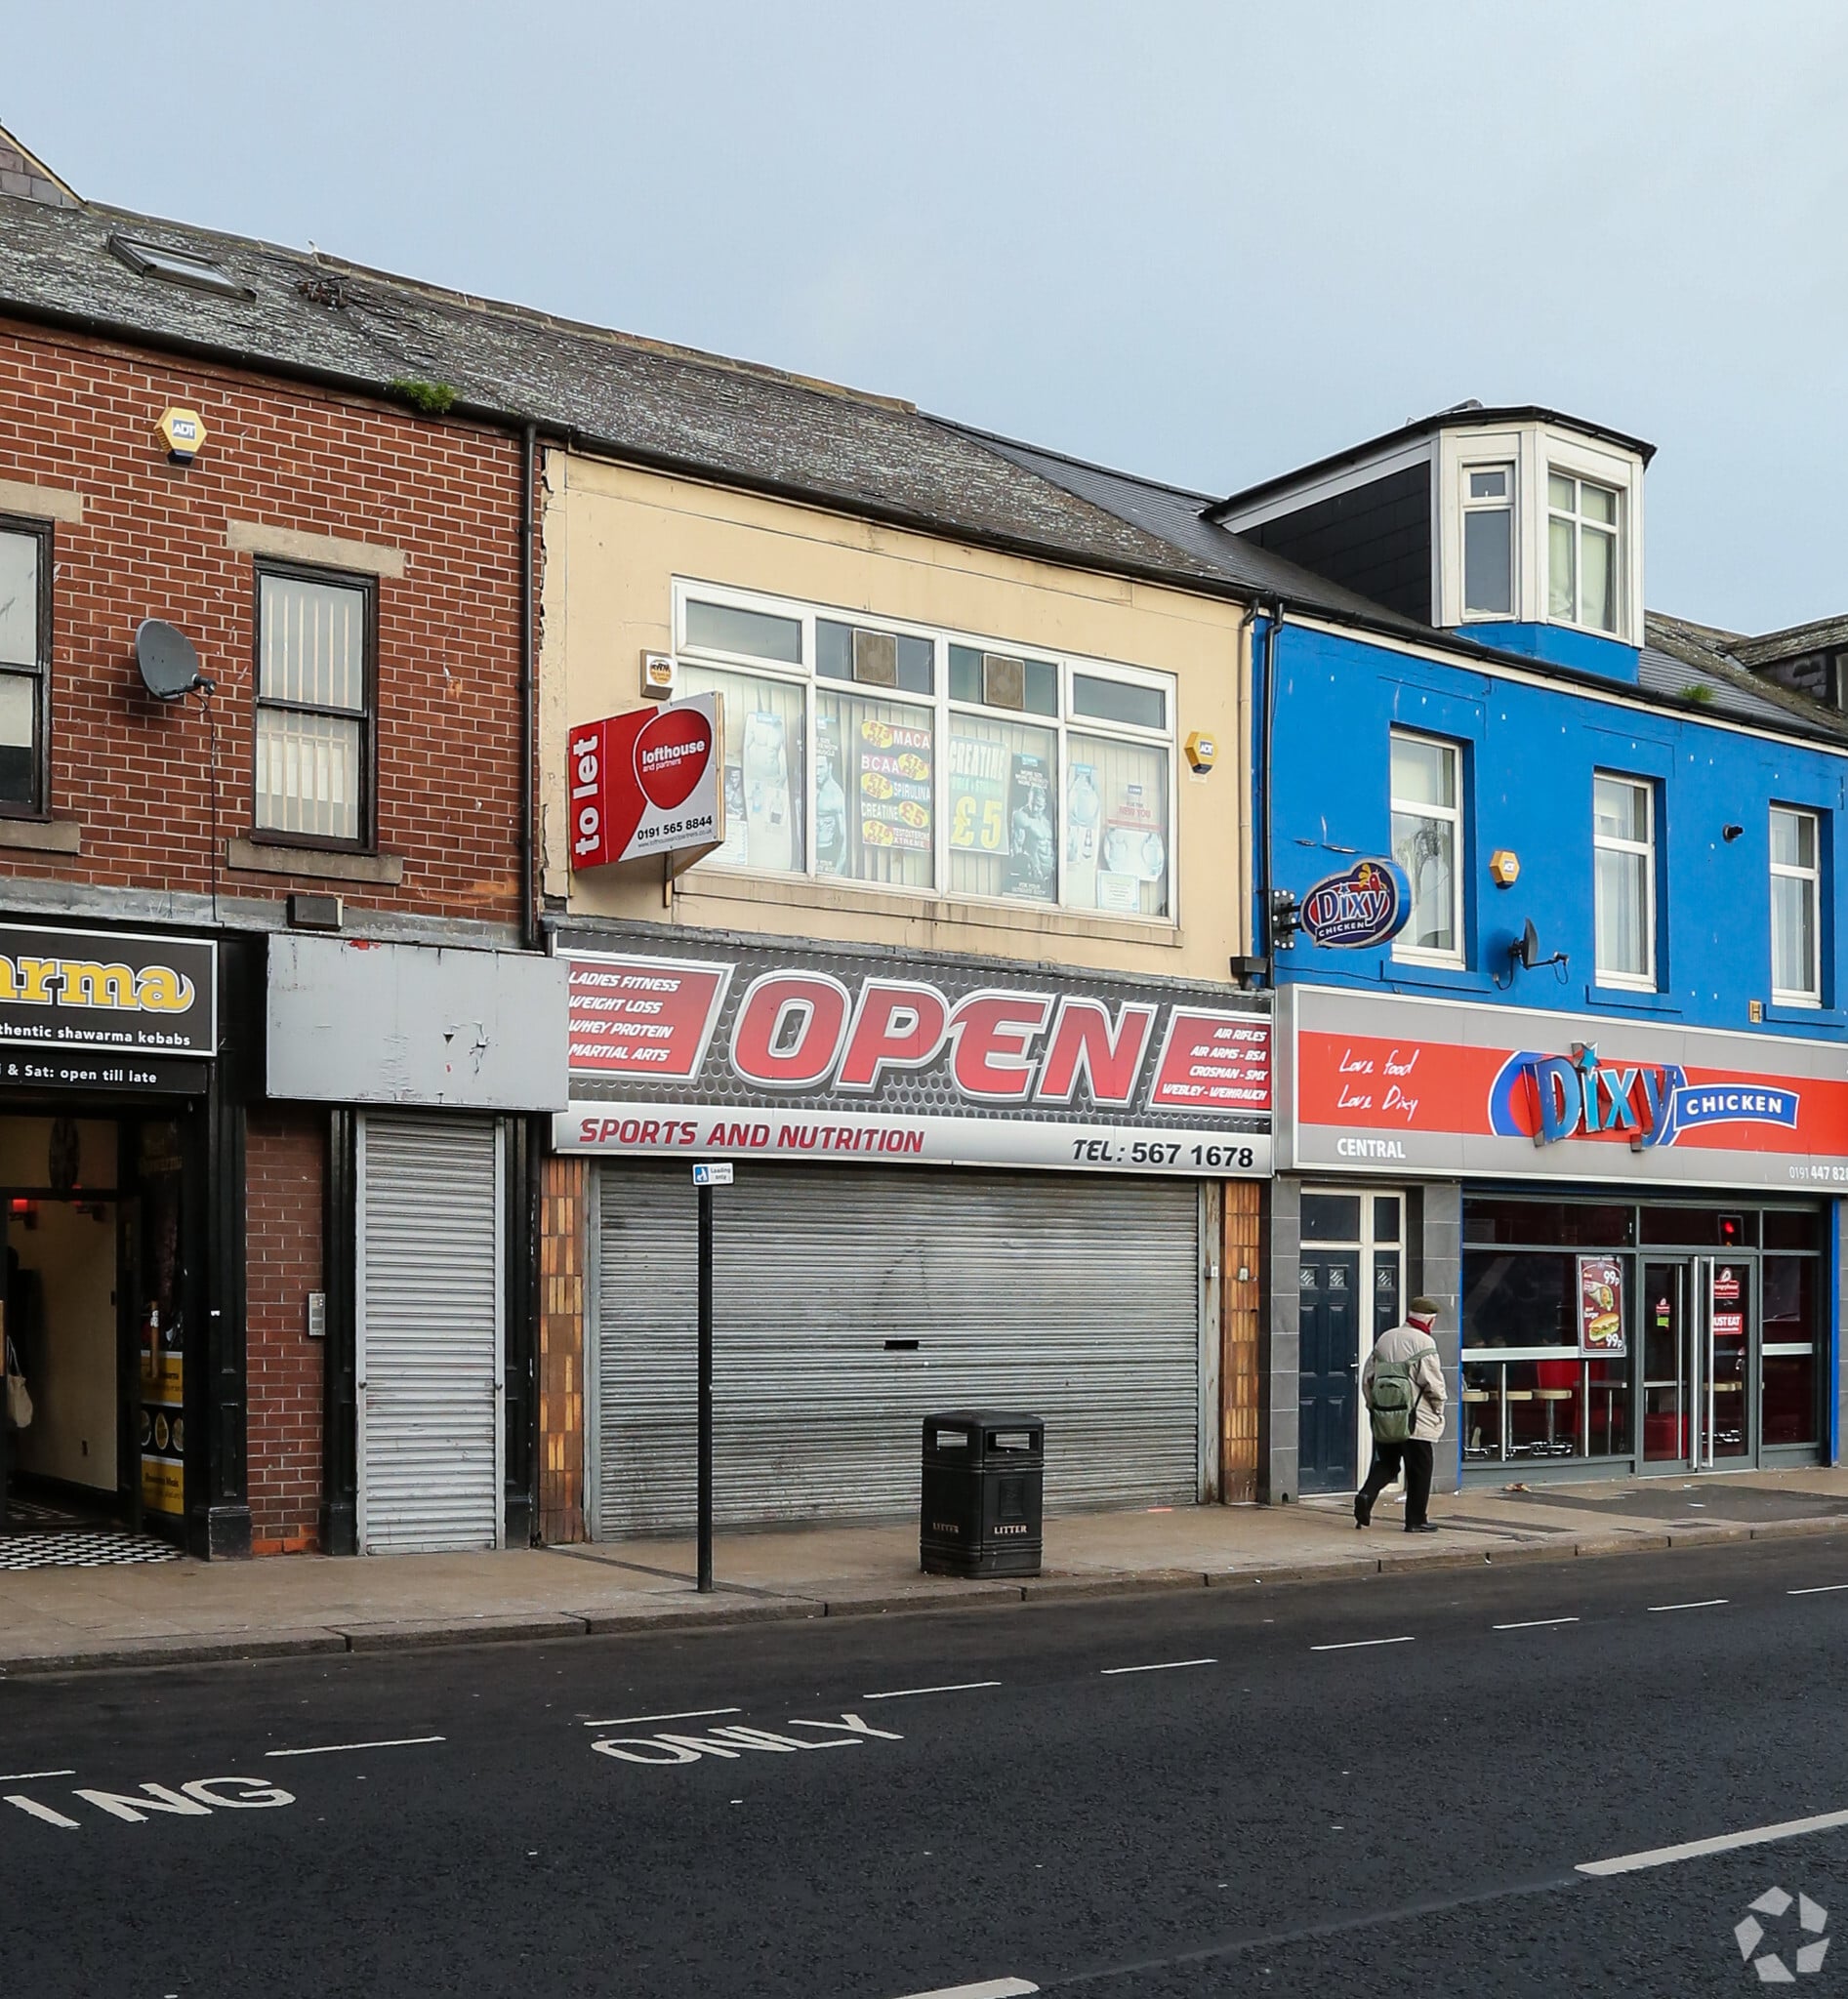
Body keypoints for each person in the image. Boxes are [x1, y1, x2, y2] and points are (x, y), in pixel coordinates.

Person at [1355, 1295, 1448, 1533]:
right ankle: (1416, 1520)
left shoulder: (1386, 1337)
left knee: (1386, 1463)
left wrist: (1373, 1406)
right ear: (1431, 1320)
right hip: (1416, 1418)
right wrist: (1439, 1408)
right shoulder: (1425, 1343)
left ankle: (1366, 1495)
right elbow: (1433, 1384)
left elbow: (1368, 1377)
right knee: (1420, 1468)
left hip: (1386, 1416)